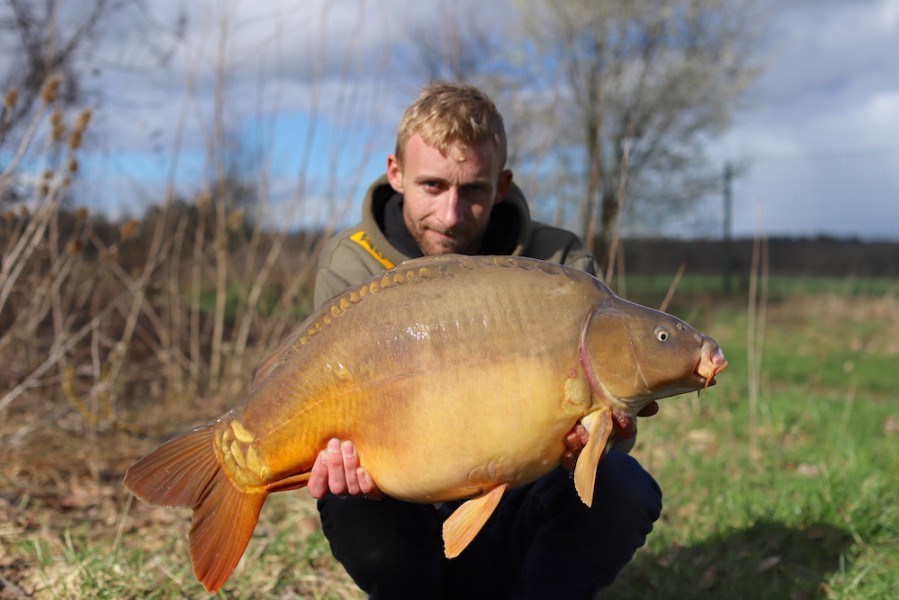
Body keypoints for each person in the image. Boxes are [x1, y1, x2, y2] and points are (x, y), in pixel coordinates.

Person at [307, 82, 661, 600]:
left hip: (522, 497)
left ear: (501, 185)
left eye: (472, 190)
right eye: (432, 186)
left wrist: (605, 434)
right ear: (395, 173)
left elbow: (612, 417)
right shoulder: (352, 264)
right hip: (406, 504)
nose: (450, 215)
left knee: (622, 487)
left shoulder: (559, 263)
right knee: (349, 500)